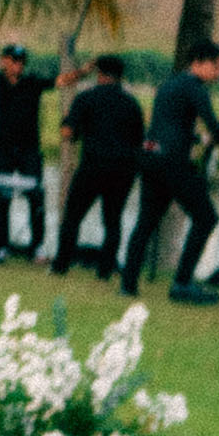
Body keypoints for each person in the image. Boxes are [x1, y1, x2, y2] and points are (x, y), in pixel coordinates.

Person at [120, 40, 219, 303]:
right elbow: (212, 124)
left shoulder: (170, 84)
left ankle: (128, 283)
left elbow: (170, 124)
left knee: (146, 220)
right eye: (216, 66)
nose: (218, 73)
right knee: (206, 217)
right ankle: (182, 283)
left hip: (151, 156)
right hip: (173, 162)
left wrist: (196, 140)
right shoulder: (195, 87)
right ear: (199, 62)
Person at [51, 56, 145, 278]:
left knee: (73, 216)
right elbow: (140, 141)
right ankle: (104, 270)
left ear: (100, 74)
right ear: (120, 76)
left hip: (93, 166)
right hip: (123, 170)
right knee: (112, 221)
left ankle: (61, 265)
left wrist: (65, 120)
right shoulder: (132, 104)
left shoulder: (86, 98)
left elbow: (68, 133)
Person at [0, 42, 56, 259]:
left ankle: (37, 245)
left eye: (21, 62)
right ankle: (1, 244)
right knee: (3, 197)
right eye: (13, 61)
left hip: (28, 148)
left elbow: (59, 81)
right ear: (6, 61)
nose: (18, 66)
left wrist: (82, 72)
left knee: (35, 196)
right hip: (1, 147)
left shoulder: (31, 82)